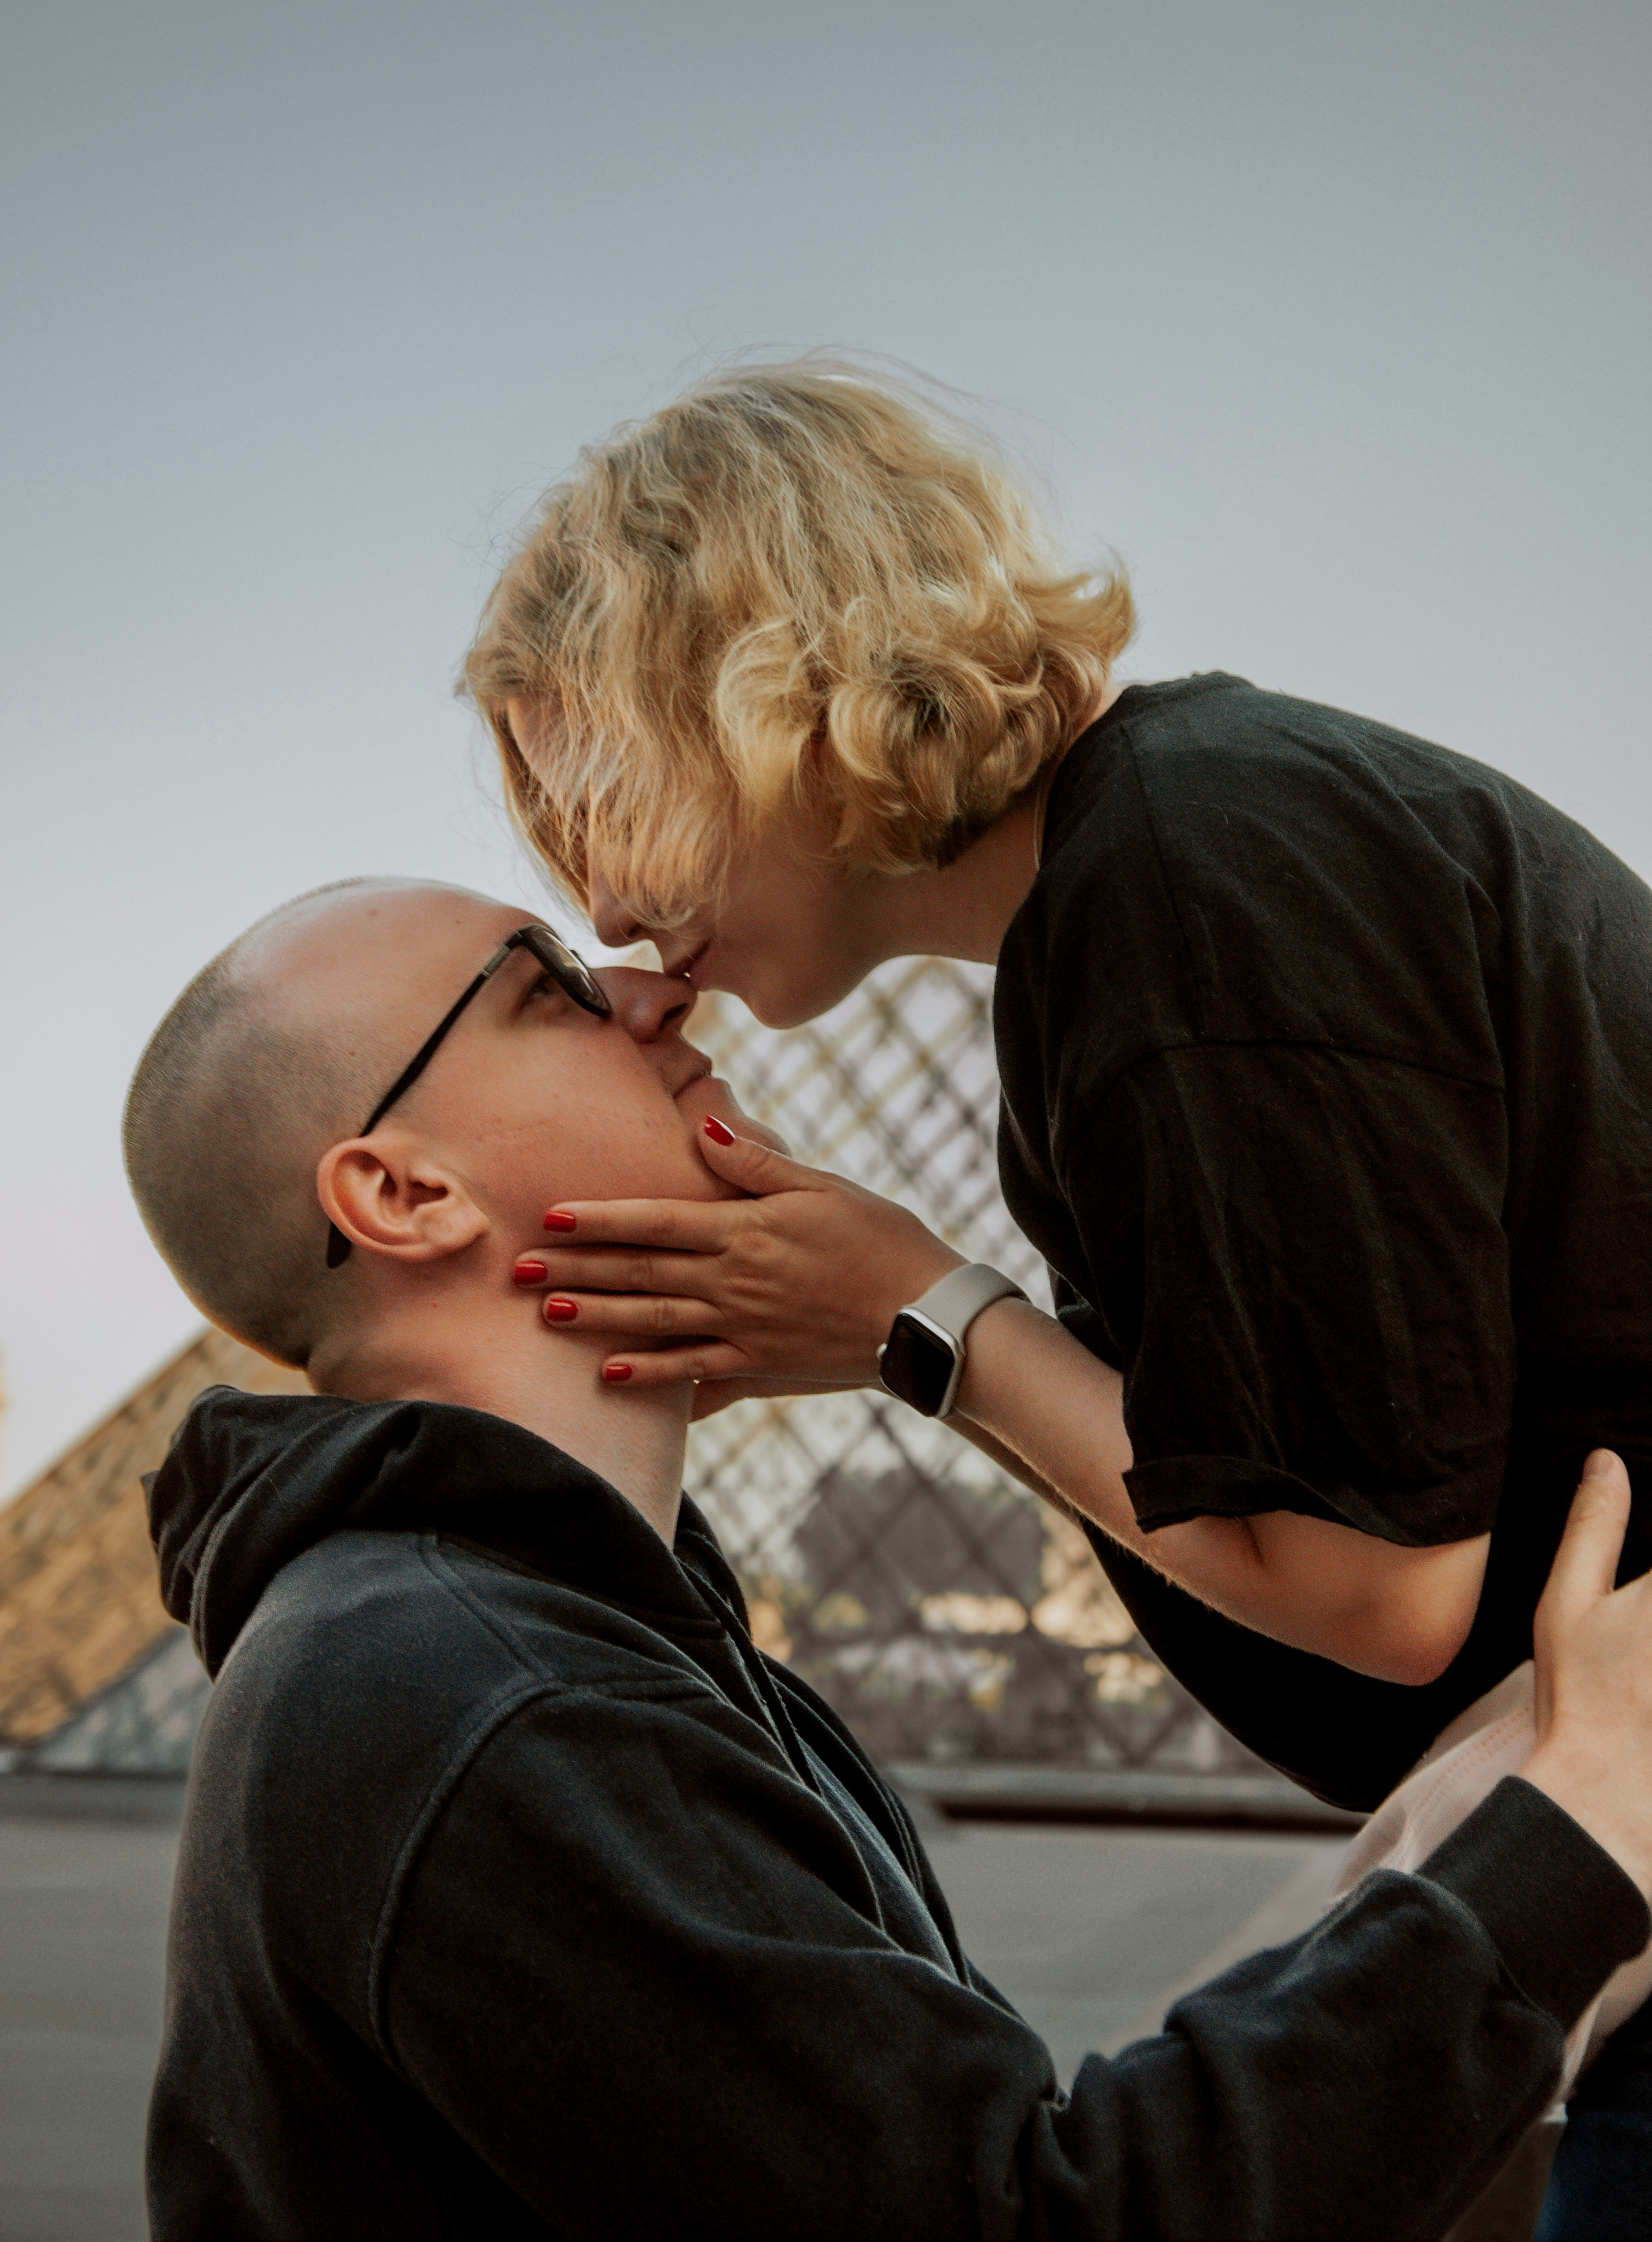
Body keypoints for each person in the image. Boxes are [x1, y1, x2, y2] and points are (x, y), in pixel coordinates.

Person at [462, 360, 1652, 2234]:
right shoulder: (1171, 854)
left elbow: (1378, 1586)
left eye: (598, 790)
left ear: (771, 689)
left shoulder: (1195, 876)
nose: (605, 912)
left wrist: (917, 1323)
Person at [125, 876, 1652, 2241]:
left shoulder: (542, 1642)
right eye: (551, 984)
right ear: (401, 1193)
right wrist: (1568, 1828)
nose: (656, 983)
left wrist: (1486, 1832)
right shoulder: (485, 1699)